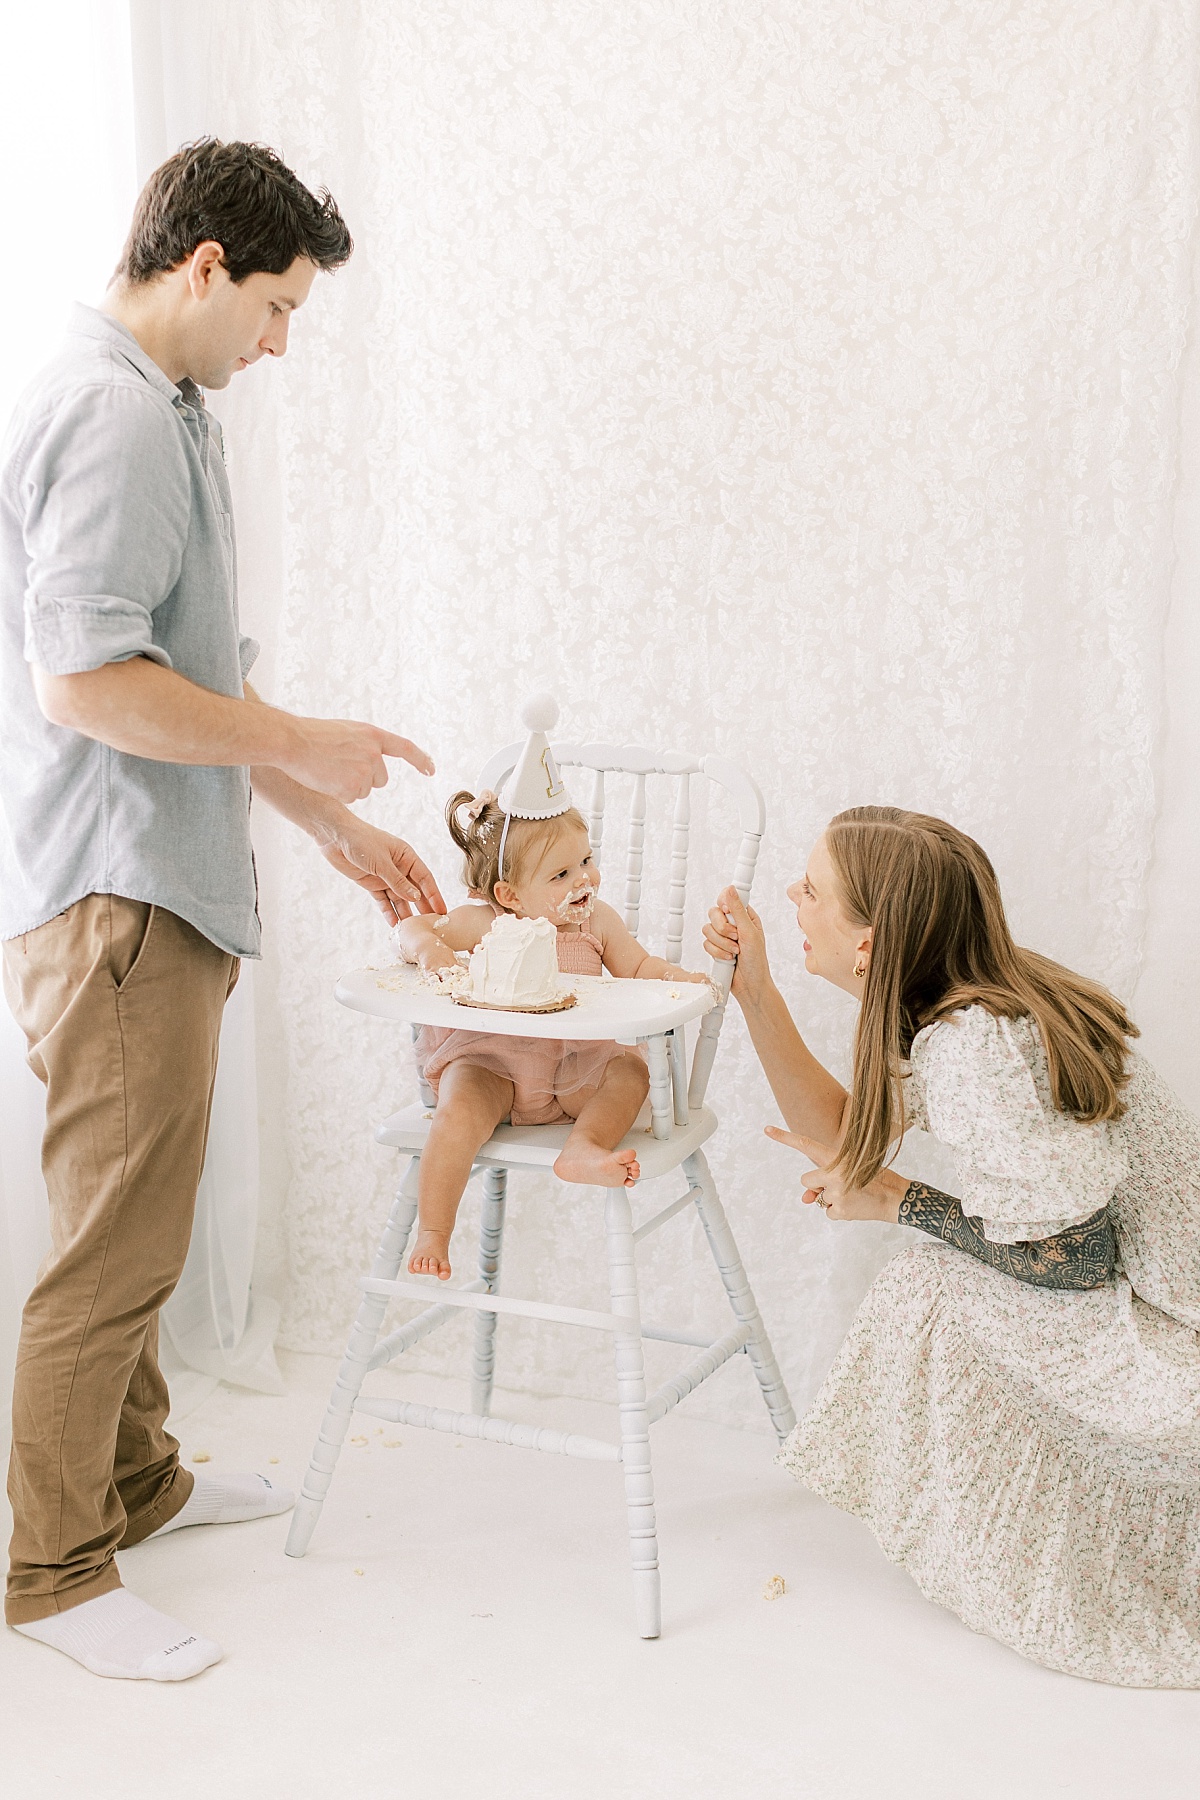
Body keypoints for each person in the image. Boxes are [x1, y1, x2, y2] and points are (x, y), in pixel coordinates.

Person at [0, 139, 445, 1682]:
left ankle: (138, 1484)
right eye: (272, 306)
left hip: (156, 885)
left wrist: (324, 817)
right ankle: (54, 1575)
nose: (278, 342)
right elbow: (89, 685)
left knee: (139, 1223)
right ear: (202, 268)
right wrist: (292, 747)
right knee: (114, 1251)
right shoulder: (114, 416)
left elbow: (189, 677)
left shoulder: (166, 405)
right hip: (118, 900)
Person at [705, 805, 1200, 1687]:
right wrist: (757, 990)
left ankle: (1040, 1559)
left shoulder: (972, 1046)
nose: (792, 895)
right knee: (929, 1280)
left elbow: (1075, 1261)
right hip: (1148, 1290)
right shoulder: (963, 1000)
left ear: (873, 942)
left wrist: (900, 1201)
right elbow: (851, 1133)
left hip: (1168, 1334)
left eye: (811, 889)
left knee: (924, 1290)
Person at [395, 703, 706, 1280]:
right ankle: (435, 1228)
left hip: (575, 1071)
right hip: (494, 1067)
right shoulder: (486, 922)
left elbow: (637, 966)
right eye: (561, 875)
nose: (583, 880)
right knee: (457, 1109)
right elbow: (412, 929)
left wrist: (680, 982)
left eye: (586, 861)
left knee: (632, 1073)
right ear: (509, 895)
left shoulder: (597, 921)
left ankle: (583, 1147)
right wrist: (432, 951)